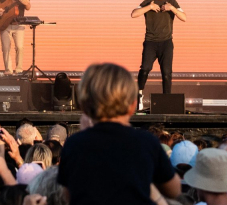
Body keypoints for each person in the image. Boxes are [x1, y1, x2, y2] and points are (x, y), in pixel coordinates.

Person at [58, 62, 181, 205]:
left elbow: (67, 195)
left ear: (85, 104)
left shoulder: (73, 144)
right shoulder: (147, 142)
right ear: (133, 105)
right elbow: (174, 191)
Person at [130, 0, 186, 109]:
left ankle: (166, 101)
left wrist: (171, 8)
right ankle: (139, 95)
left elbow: (184, 17)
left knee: (166, 73)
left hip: (166, 42)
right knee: (145, 69)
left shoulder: (171, 2)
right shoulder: (148, 2)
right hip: (151, 42)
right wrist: (149, 7)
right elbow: (133, 14)